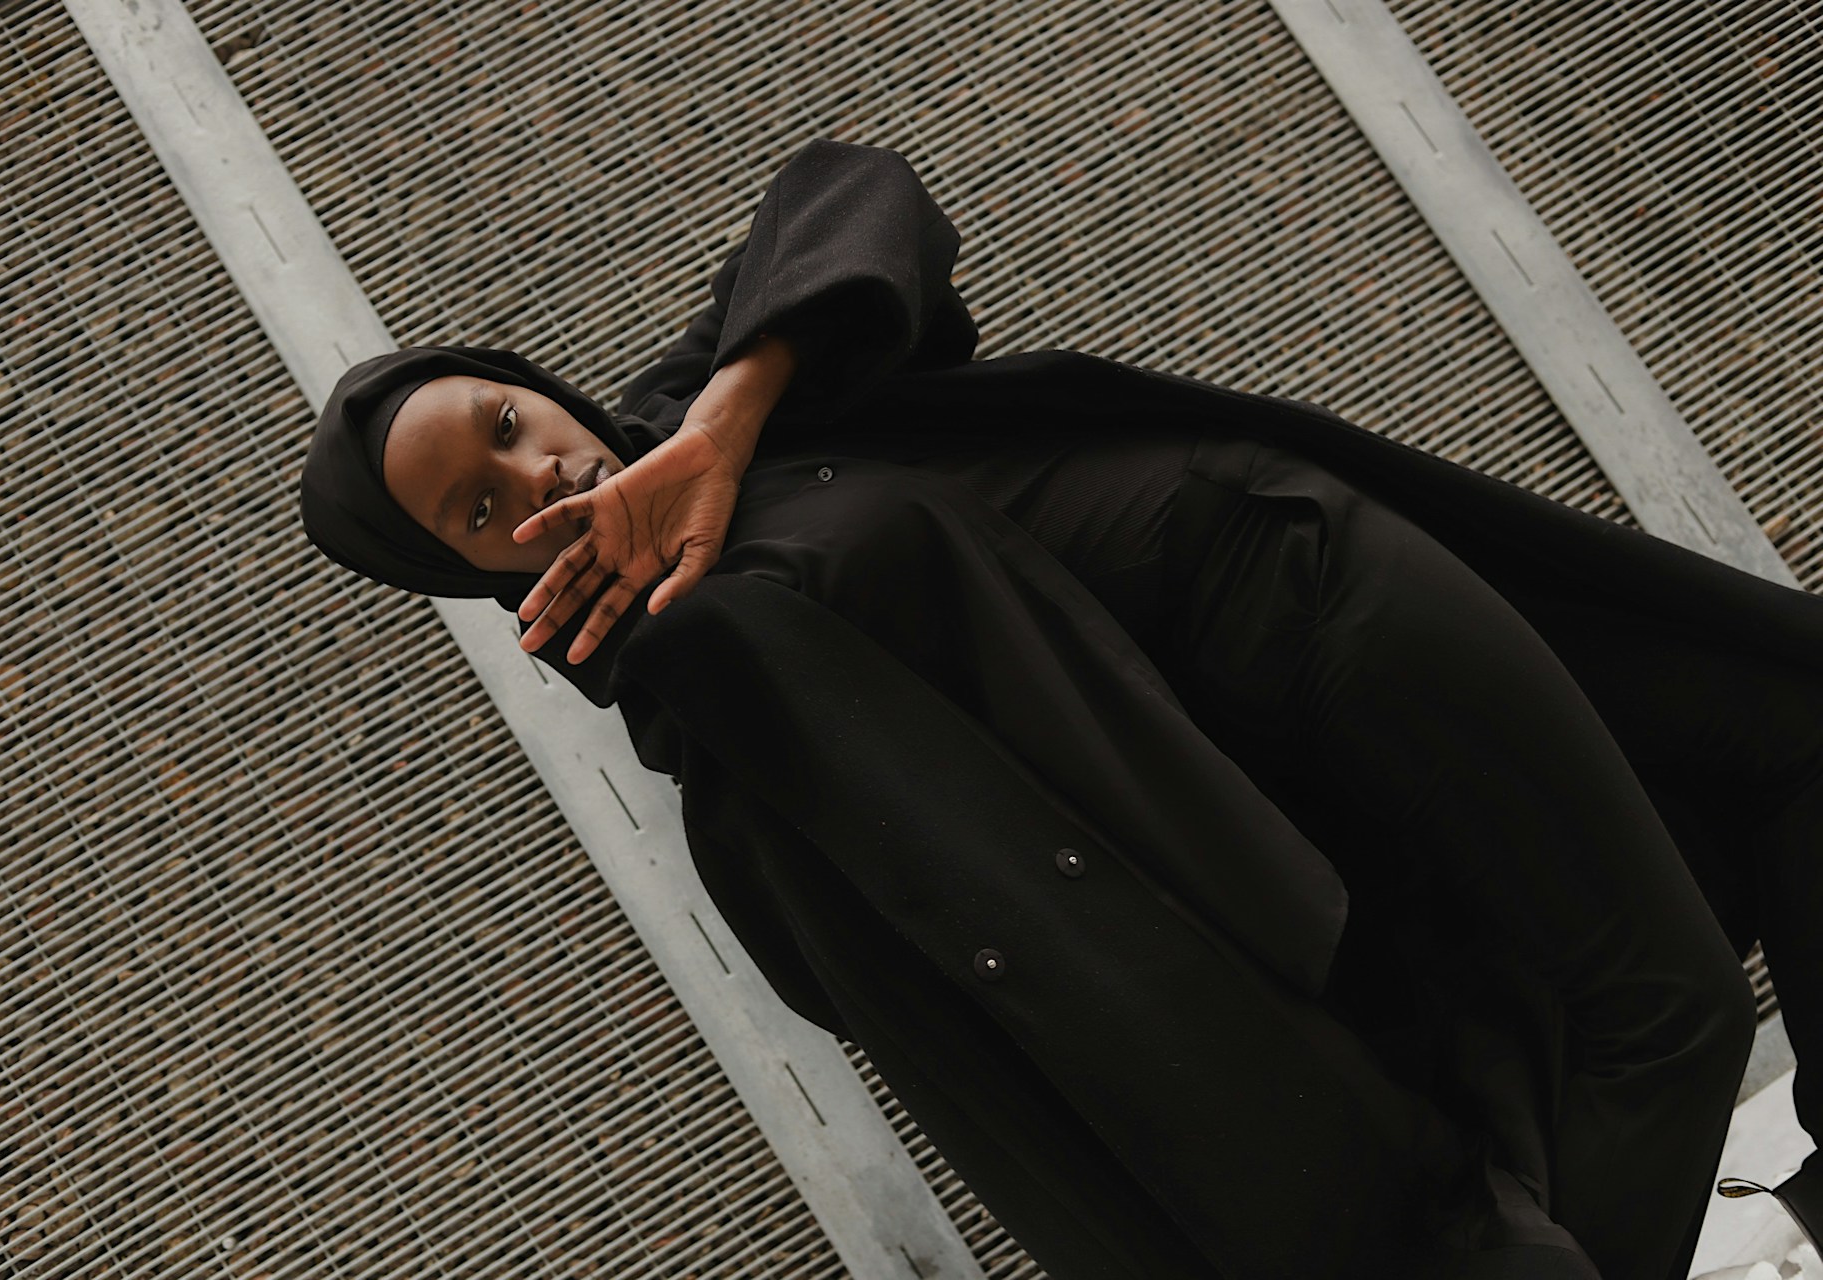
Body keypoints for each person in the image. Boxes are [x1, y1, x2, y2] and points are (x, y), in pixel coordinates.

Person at [298, 138, 1823, 1279]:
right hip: (1312, 629)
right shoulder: (706, 662)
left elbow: (855, 188)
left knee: (1783, 737)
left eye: (507, 420)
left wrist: (724, 416)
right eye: (481, 508)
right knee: (1660, 1013)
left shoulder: (695, 410)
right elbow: (968, 908)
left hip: (1309, 559)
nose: (538, 471)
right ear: (473, 578)